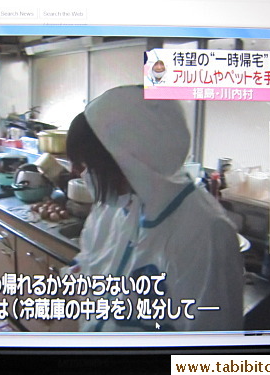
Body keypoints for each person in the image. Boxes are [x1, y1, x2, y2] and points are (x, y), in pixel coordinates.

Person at [66, 85, 243, 332]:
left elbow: (210, 341)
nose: (77, 172)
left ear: (125, 160)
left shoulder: (205, 232)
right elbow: (90, 262)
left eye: (85, 163)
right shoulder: (112, 207)